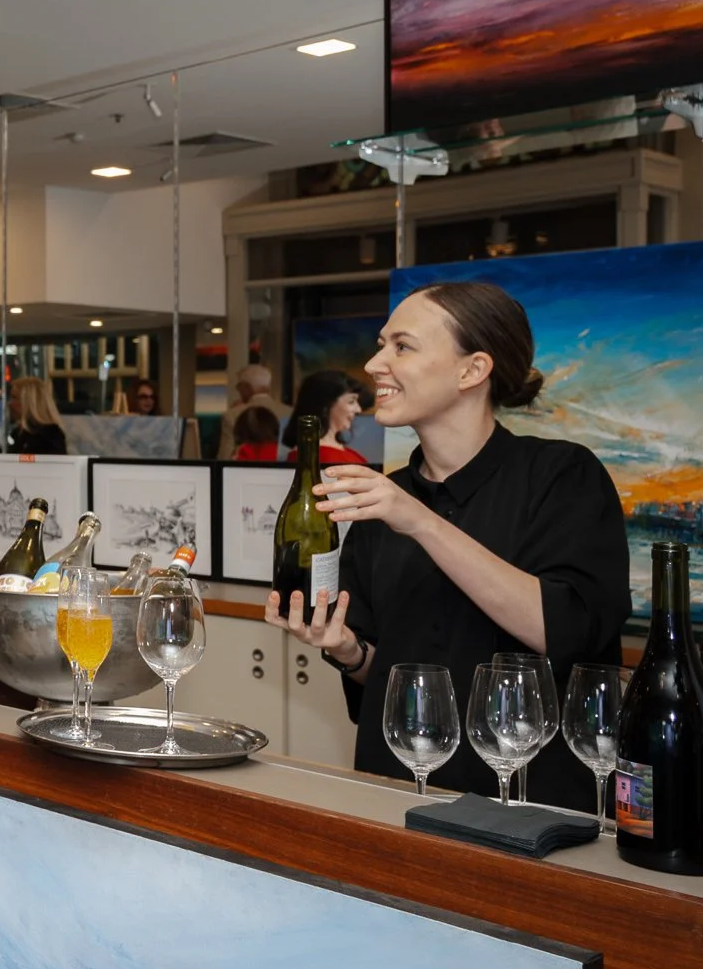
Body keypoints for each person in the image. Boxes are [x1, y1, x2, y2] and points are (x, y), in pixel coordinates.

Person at [265, 281, 630, 807]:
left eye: (402, 346)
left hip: (534, 812)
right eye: (381, 343)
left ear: (472, 370)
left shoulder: (562, 476)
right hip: (398, 796)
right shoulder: (385, 501)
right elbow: (379, 669)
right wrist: (346, 650)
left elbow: (563, 627)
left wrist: (420, 522)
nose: (374, 363)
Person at [234, 370, 370, 465]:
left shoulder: (326, 454)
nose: (358, 409)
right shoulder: (324, 457)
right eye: (351, 401)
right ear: (326, 405)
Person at [216, 362, 279, 458]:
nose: (238, 390)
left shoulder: (232, 415)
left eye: (238, 387)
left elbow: (225, 458)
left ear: (247, 387)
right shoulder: (290, 412)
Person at [4, 375, 67, 455]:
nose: (9, 404)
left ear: (28, 402)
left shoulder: (49, 437)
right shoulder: (17, 434)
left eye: (14, 398)